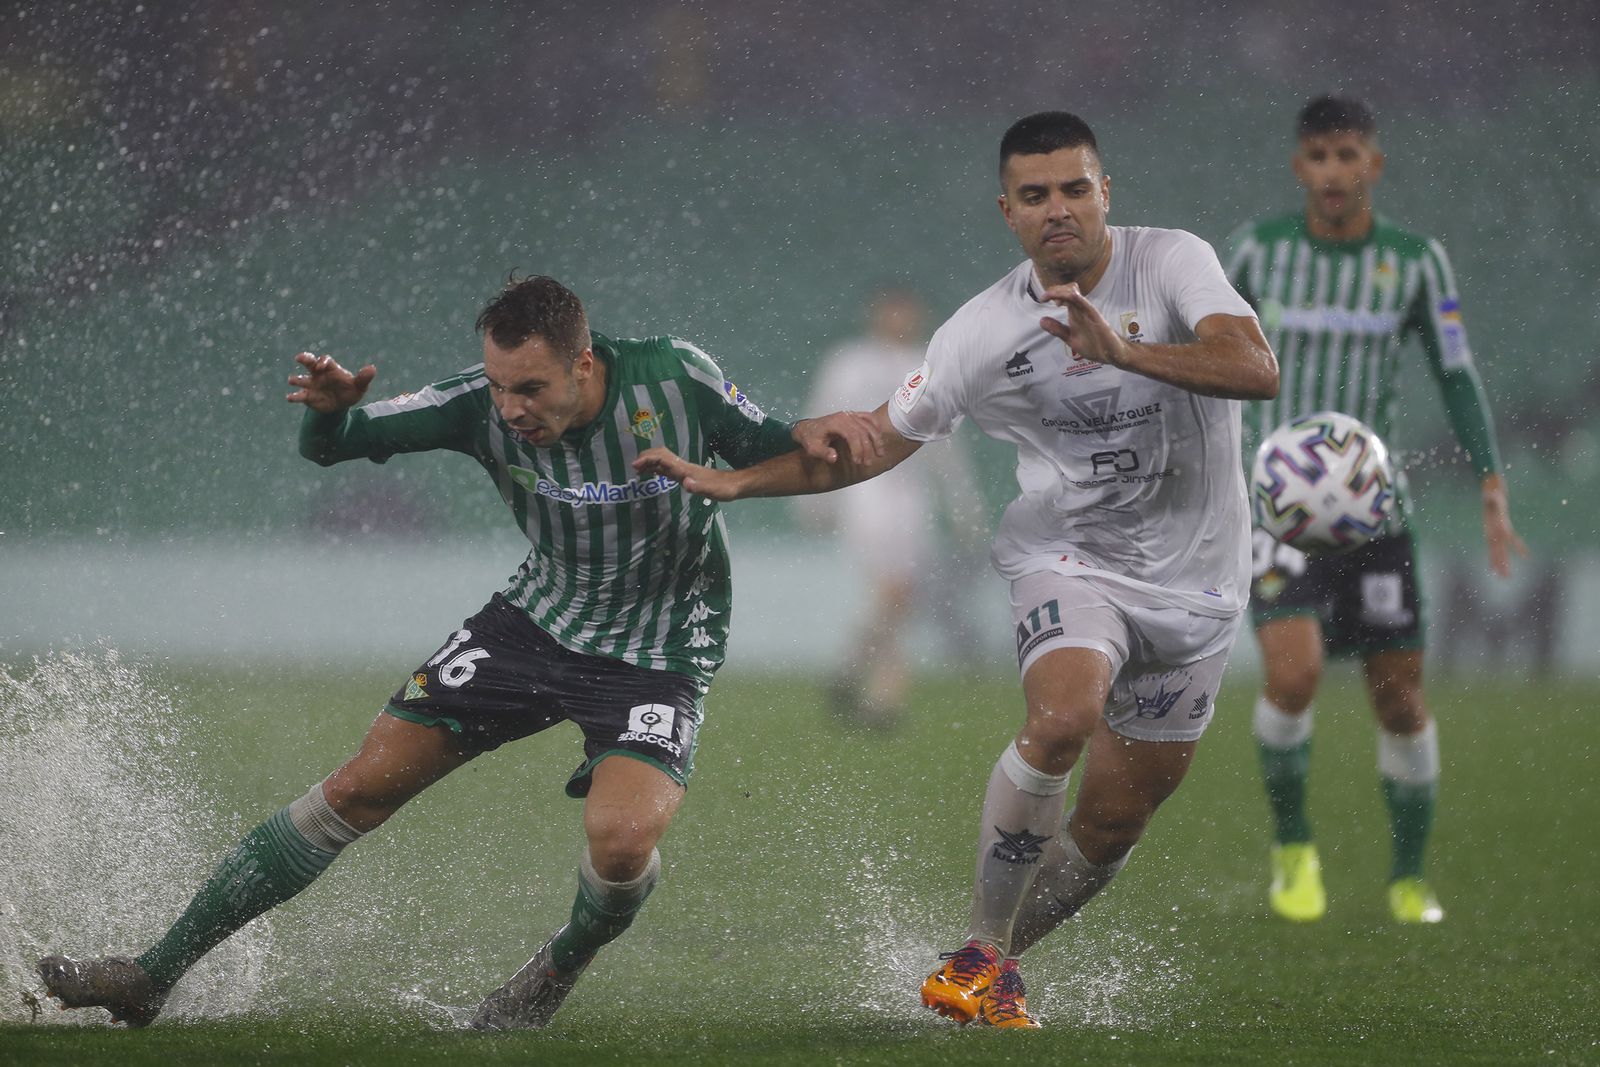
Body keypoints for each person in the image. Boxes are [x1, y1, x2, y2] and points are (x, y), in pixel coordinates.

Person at [34, 274, 863, 1030]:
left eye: (530, 387)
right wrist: (327, 411)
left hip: (662, 643)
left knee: (620, 843)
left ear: (584, 361)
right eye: (500, 385)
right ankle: (153, 971)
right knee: (357, 786)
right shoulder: (475, 405)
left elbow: (787, 448)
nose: (509, 409)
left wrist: (789, 454)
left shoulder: (675, 378)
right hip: (537, 619)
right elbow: (335, 445)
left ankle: (547, 976)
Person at [635, 111, 1278, 1028]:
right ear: (1007, 211)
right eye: (1034, 195)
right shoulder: (981, 332)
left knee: (1112, 826)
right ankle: (979, 947)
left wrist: (1124, 349)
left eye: (1073, 188)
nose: (1057, 208)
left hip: (1200, 587)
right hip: (1073, 558)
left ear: (1106, 192)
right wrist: (735, 483)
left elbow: (1255, 367)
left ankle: (996, 961)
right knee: (1062, 717)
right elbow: (871, 442)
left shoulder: (1173, 262)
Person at [1225, 96, 1526, 925]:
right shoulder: (1255, 254)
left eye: (1347, 155)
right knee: (1293, 675)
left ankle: (1407, 876)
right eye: (1318, 156)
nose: (1332, 172)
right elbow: (1205, 354)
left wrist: (1491, 481)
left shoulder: (1417, 261)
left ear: (1373, 165)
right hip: (1277, 513)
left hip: (1375, 517)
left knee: (1398, 698)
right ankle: (1294, 849)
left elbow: (1455, 373)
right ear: (1299, 167)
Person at [800, 286, 986, 726]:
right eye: (892, 309)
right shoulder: (849, 360)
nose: (899, 317)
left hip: (911, 492)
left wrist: (963, 505)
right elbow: (820, 420)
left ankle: (859, 677)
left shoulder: (929, 365)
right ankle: (882, 692)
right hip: (863, 488)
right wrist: (814, 493)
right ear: (875, 312)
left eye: (908, 309)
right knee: (896, 589)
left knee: (903, 594)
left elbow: (946, 446)